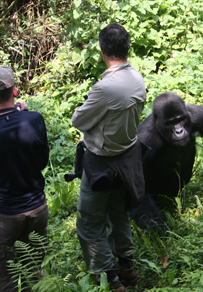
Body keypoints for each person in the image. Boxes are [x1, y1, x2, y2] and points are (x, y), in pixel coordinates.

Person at [72, 23, 146, 292]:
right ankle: (127, 265)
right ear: (128, 47)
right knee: (118, 214)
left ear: (102, 50)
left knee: (90, 223)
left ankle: (111, 280)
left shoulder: (106, 88)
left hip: (101, 164)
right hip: (126, 160)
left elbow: (79, 119)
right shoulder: (137, 79)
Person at [0, 65, 49, 292]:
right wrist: (23, 113)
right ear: (15, 91)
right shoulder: (34, 120)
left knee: (3, 274)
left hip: (4, 215)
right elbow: (42, 161)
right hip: (36, 209)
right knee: (34, 270)